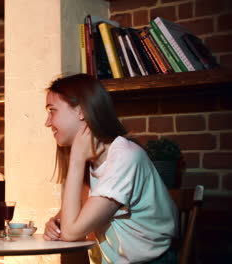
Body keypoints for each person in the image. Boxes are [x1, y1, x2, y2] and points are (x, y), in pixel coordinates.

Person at [43, 74, 177, 264]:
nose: (47, 122)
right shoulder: (94, 160)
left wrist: (76, 160)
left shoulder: (125, 157)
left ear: (81, 111)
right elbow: (69, 221)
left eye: (52, 111)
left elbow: (72, 233)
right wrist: (55, 223)